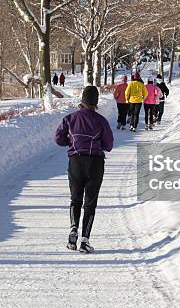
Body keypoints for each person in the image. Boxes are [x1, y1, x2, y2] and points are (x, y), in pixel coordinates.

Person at [54, 86, 114, 253]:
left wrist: (72, 143)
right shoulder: (101, 121)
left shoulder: (70, 119)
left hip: (75, 162)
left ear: (82, 100)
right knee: (90, 203)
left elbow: (58, 138)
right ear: (95, 103)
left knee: (75, 199)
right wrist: (97, 144)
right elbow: (109, 145)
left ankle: (73, 229)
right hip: (95, 163)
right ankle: (85, 240)